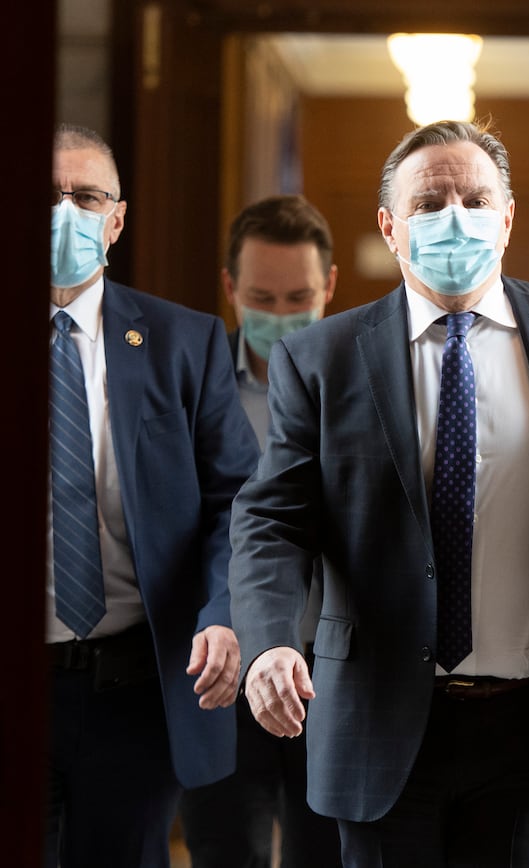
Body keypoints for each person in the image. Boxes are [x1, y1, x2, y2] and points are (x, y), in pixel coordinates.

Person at [227, 119, 529, 867]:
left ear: (508, 218)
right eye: (429, 203)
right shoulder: (322, 357)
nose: (455, 218)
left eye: (476, 199)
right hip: (380, 725)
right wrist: (268, 644)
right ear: (390, 227)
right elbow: (273, 521)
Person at [45, 123, 260, 867]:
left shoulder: (179, 340)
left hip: (134, 691)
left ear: (117, 218)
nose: (66, 211)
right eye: (49, 195)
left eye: (85, 195)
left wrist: (223, 614)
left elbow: (239, 498)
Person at [179, 194, 341, 868]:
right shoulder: (192, 384)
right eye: (262, 297)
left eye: (299, 295)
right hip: (220, 672)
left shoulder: (362, 381)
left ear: (330, 286)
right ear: (231, 290)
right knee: (224, 850)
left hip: (330, 671)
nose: (280, 316)